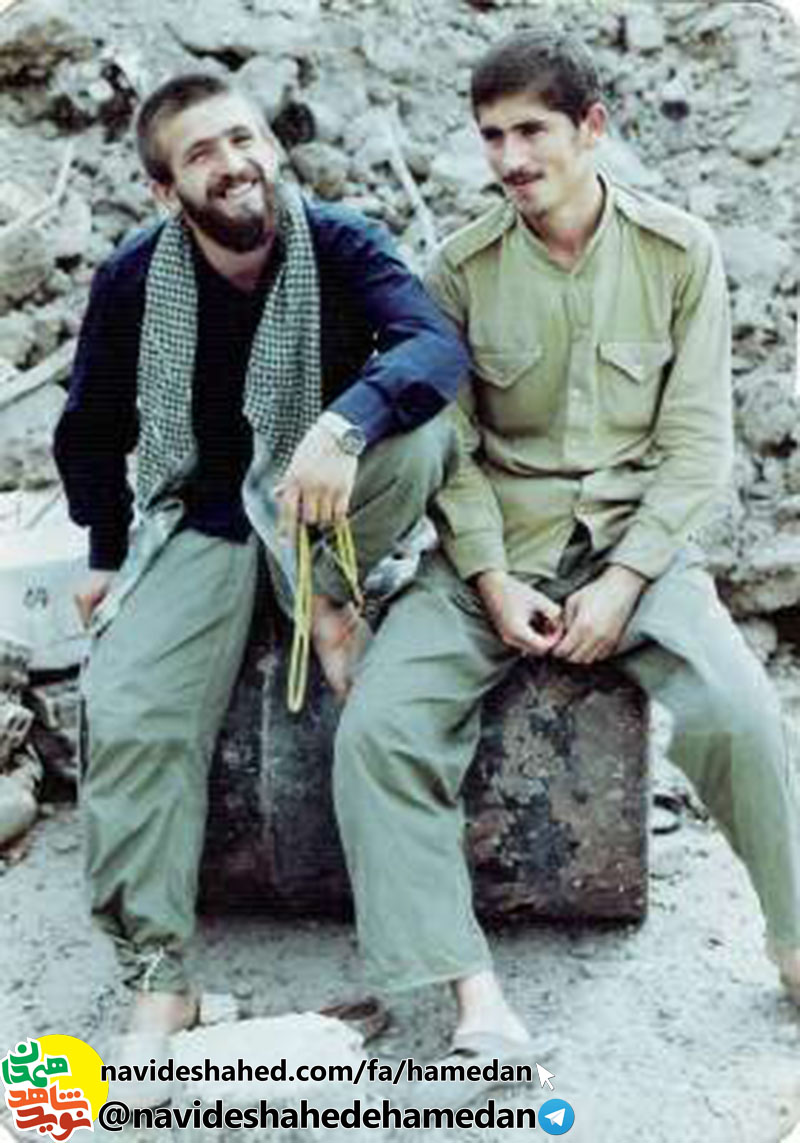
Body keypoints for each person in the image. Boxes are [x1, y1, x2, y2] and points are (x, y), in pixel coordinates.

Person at [333, 25, 800, 1057]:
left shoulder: (680, 254)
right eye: (491, 135)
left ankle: (793, 943)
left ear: (591, 127)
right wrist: (493, 578)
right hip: (494, 548)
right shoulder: (458, 269)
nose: (509, 158)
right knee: (378, 730)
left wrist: (626, 579)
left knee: (739, 713)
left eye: (530, 131)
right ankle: (472, 998)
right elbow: (451, 445)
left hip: (637, 543)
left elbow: (696, 444)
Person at [54, 72, 468, 1049]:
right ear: (166, 191)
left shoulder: (338, 240)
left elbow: (431, 346)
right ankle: (160, 980)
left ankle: (328, 601)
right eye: (201, 154)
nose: (233, 164)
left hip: (325, 508)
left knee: (419, 435)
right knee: (128, 705)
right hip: (208, 519)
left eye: (243, 140)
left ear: (272, 148)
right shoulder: (134, 278)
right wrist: (107, 554)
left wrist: (343, 423)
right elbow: (89, 428)